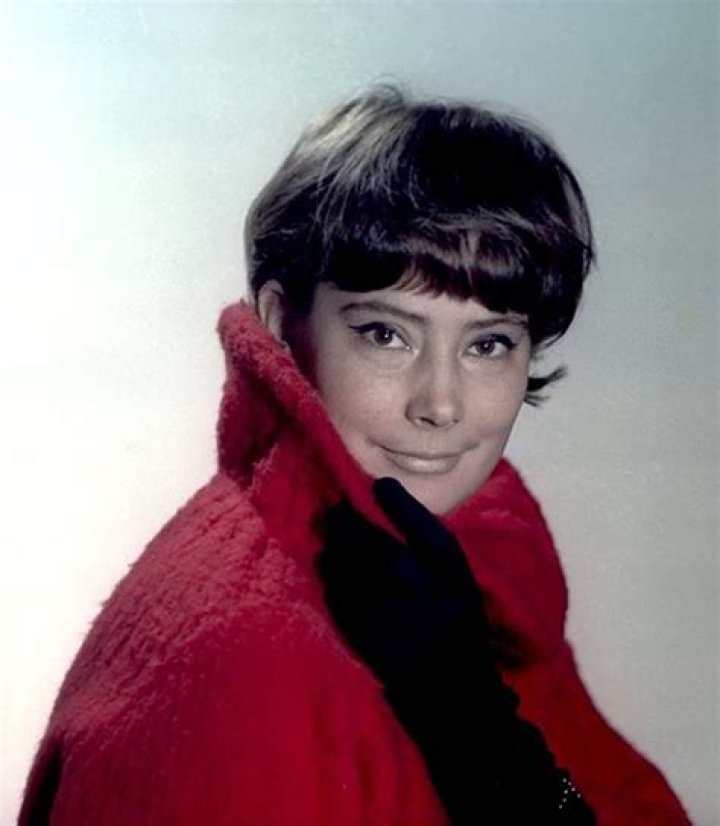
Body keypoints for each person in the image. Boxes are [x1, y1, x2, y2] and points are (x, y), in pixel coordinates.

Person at [19, 87, 689, 824]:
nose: (440, 404)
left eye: (489, 344)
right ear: (283, 323)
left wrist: (480, 737)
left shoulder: (482, 569)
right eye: (385, 334)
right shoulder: (238, 651)